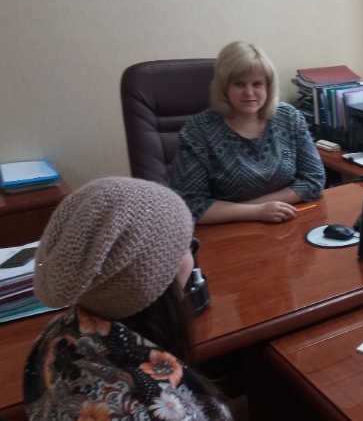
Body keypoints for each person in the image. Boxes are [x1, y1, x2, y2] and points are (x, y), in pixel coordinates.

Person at [24, 177, 232, 420]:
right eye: (185, 246)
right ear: (158, 277)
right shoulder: (161, 411)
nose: (190, 256)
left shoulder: (56, 334)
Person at [168, 41, 325, 224]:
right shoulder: (198, 131)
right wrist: (255, 212)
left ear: (268, 87)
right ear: (224, 88)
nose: (249, 92)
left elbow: (314, 179)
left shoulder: (288, 117)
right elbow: (189, 206)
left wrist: (263, 207)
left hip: (285, 220)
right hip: (226, 229)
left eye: (257, 84)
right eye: (239, 84)